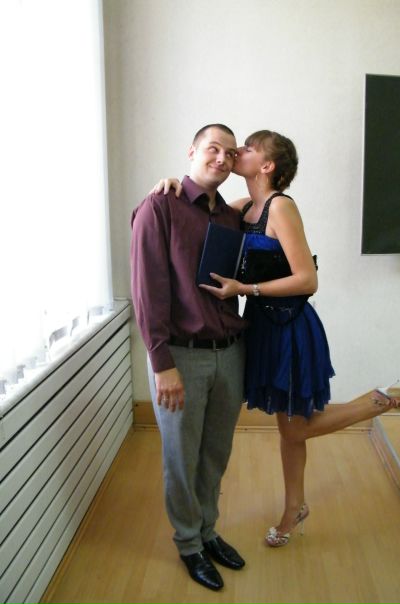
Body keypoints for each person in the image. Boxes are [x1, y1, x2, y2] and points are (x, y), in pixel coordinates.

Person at [151, 129, 400, 549]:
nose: (237, 152)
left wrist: (245, 290)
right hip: (262, 328)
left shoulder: (281, 207)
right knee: (291, 429)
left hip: (289, 329)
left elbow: (308, 279)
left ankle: (370, 405)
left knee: (294, 429)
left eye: (248, 149)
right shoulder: (242, 208)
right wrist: (171, 185)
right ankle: (295, 507)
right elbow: (202, 207)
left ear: (266, 165)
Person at [130, 124, 248, 592]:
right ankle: (188, 543)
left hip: (230, 354)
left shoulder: (232, 218)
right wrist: (162, 364)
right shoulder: (160, 206)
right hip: (180, 356)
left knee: (215, 453)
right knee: (182, 458)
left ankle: (208, 531)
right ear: (192, 151)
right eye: (212, 148)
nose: (221, 158)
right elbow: (147, 290)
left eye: (230, 153)